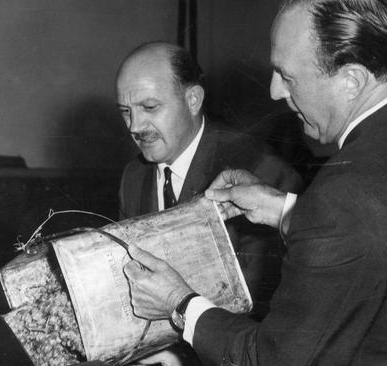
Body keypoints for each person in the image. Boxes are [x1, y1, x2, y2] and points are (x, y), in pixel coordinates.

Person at [124, 0, 387, 365]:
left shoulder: (340, 192)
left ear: (352, 81)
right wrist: (284, 209)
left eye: (287, 76)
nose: (274, 91)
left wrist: (179, 302)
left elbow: (268, 359)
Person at [116, 42, 303, 365]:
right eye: (126, 111)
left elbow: (268, 317)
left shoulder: (262, 172)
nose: (135, 126)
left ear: (193, 100)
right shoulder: (133, 177)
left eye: (149, 107)